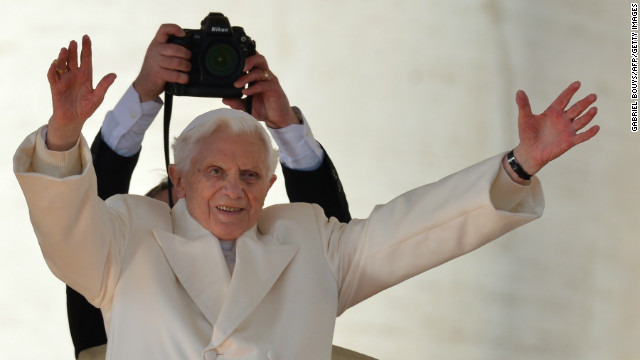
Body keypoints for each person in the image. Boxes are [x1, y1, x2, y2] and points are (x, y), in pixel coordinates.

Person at [14, 33, 599, 359]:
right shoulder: (127, 236)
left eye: (248, 176)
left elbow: (416, 229)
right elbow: (66, 224)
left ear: (271, 187)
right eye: (214, 172)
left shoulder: (307, 242)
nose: (231, 190)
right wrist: (65, 133)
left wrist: (520, 165)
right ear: (180, 178)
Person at [68, 25, 356, 359]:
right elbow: (85, 221)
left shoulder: (294, 307)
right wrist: (141, 95)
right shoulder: (108, 280)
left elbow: (330, 244)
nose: (199, 235)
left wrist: (285, 127)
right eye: (173, 229)